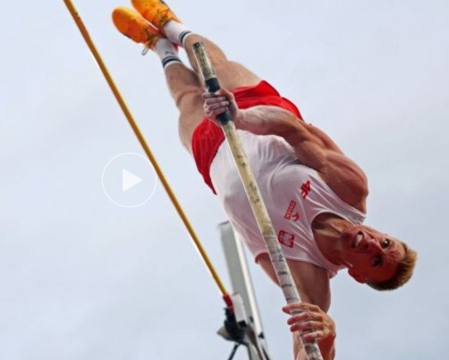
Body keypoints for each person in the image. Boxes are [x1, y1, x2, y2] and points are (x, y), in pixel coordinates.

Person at [111, 1, 418, 359]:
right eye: (386, 243)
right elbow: (293, 129)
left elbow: (306, 353)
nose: (375, 247)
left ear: (359, 276)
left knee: (187, 98)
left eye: (378, 260)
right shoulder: (349, 192)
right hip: (254, 114)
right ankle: (170, 25)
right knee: (217, 66)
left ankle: (159, 45)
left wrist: (329, 340)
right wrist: (240, 118)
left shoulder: (311, 282)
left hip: (214, 157)